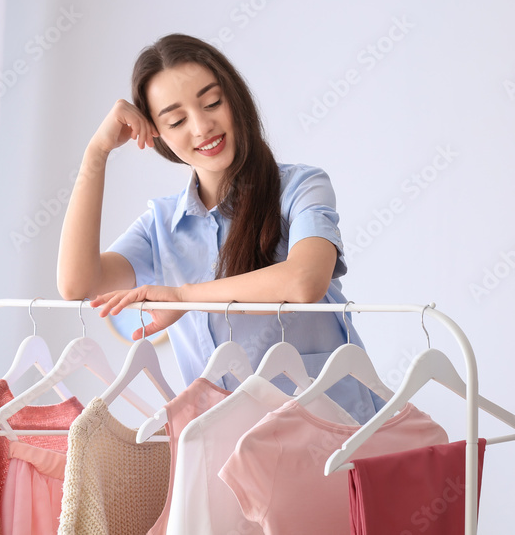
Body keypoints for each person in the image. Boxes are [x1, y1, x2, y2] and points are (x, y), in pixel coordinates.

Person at [56, 33, 378, 421]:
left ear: (235, 97)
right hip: (224, 446)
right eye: (176, 120)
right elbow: (77, 283)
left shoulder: (301, 187)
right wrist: (97, 151)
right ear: (157, 135)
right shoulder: (161, 224)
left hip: (333, 435)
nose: (202, 126)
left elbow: (305, 280)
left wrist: (184, 296)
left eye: (212, 102)